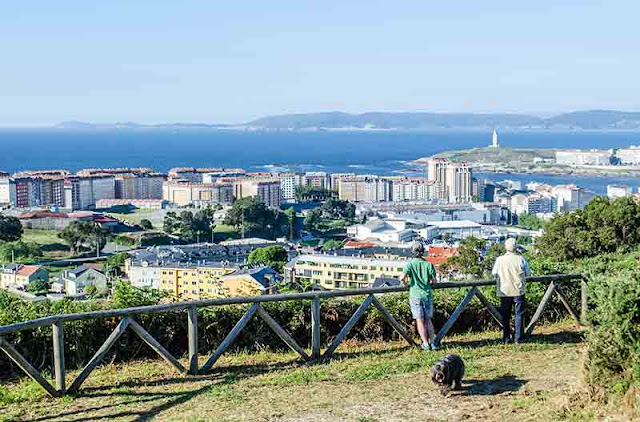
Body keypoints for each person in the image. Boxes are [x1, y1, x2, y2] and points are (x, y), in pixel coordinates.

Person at [492, 238, 530, 344]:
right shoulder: (521, 259)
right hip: (518, 290)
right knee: (519, 314)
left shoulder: (499, 260)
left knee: (505, 315)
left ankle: (506, 338)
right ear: (516, 247)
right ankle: (518, 338)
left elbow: (494, 273)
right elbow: (528, 273)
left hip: (504, 290)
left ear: (505, 247)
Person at [400, 241, 437, 350]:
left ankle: (425, 344)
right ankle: (433, 342)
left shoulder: (410, 264)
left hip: (415, 294)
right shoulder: (428, 264)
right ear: (423, 252)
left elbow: (402, 278)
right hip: (427, 294)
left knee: (419, 320)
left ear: (412, 252)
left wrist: (407, 284)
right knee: (428, 320)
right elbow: (434, 281)